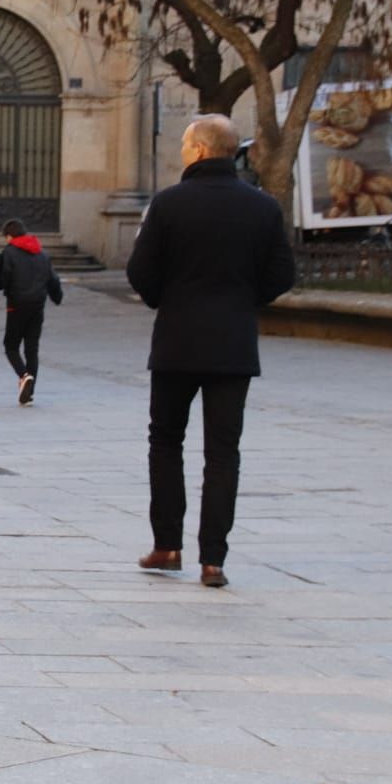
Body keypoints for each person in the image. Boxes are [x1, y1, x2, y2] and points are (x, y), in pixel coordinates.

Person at [127, 113, 295, 588]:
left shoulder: (168, 204)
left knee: (166, 442)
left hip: (177, 339)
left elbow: (141, 271)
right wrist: (243, 301)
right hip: (233, 343)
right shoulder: (263, 208)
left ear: (200, 150)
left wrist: (165, 297)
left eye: (185, 145)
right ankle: (213, 560)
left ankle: (167, 545)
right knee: (223, 452)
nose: (182, 151)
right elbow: (282, 274)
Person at [0, 218, 63, 405]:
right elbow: (53, 279)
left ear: (9, 235)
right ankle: (29, 391)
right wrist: (56, 297)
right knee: (31, 348)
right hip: (37, 305)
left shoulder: (9, 252)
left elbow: (5, 277)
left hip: (17, 305)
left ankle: (24, 375)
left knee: (11, 346)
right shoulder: (40, 252)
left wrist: (6, 290)